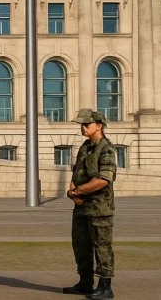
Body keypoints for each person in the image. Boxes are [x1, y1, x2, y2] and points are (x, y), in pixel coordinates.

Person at [63, 109, 118, 299]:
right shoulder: (85, 147)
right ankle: (85, 283)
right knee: (80, 246)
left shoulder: (106, 149)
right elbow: (76, 172)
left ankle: (105, 287)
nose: (83, 128)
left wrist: (78, 192)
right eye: (81, 125)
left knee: (102, 247)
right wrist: (73, 192)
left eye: (86, 124)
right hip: (81, 207)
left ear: (99, 126)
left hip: (99, 208)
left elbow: (104, 179)